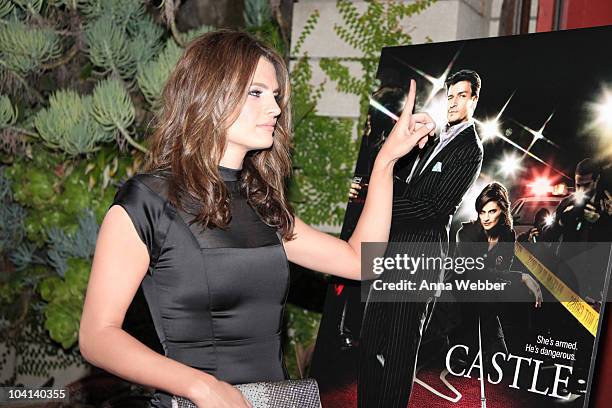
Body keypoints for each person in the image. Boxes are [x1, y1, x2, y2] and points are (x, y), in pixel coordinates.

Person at [78, 30, 436, 408]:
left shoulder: (261, 202)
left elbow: (361, 260)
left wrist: (386, 163)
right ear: (210, 93)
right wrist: (202, 387)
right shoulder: (148, 201)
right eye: (256, 93)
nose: (276, 109)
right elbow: (98, 336)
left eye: (276, 96)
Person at [358, 69, 484, 408]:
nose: (455, 101)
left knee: (400, 346)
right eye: (451, 94)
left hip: (422, 255)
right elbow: (407, 187)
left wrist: (378, 203)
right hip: (394, 247)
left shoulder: (470, 147)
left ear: (474, 99)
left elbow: (435, 207)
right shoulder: (435, 137)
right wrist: (372, 187)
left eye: (462, 95)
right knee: (369, 339)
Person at [452, 182, 542, 368]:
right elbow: (475, 272)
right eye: (482, 211)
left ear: (503, 211)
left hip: (489, 293)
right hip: (461, 289)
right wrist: (521, 276)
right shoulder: (466, 233)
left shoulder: (507, 235)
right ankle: (486, 344)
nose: (485, 217)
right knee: (483, 288)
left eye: (492, 211)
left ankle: (516, 345)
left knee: (511, 291)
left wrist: (517, 279)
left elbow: (502, 273)